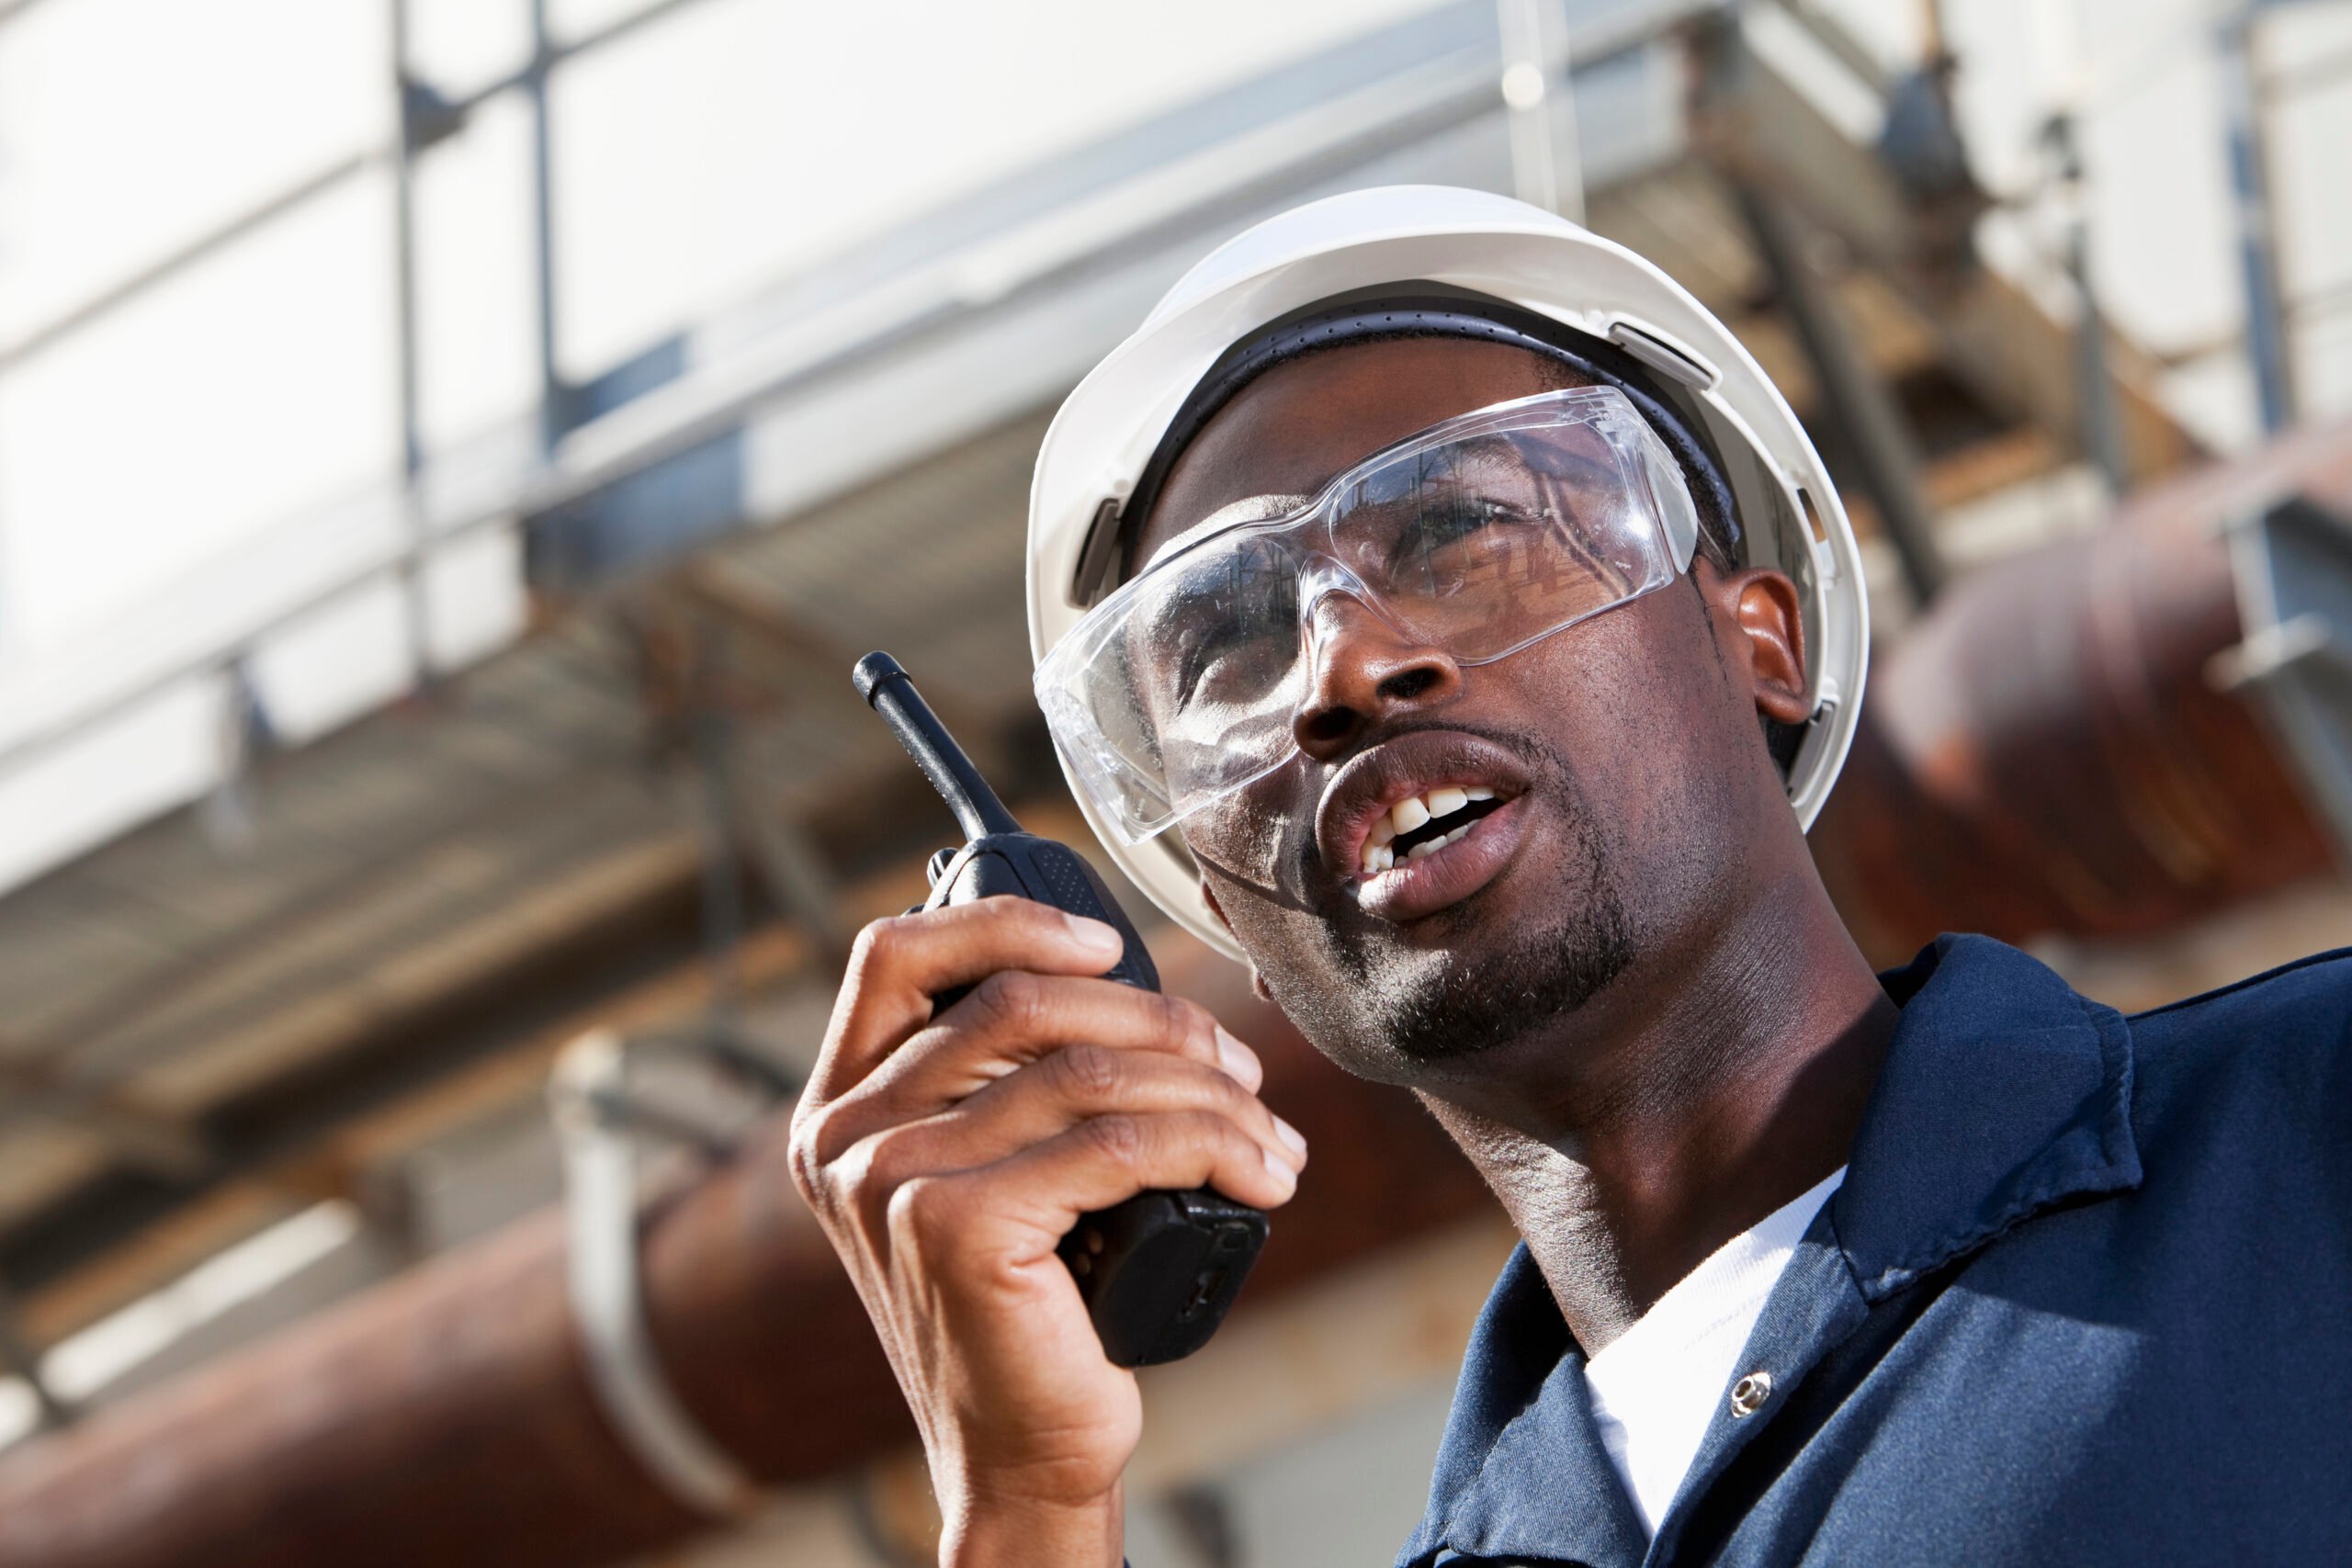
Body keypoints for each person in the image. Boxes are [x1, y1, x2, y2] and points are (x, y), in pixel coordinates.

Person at [788, 187, 2352, 1566]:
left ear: (1764, 644)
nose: (1343, 664)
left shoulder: (2306, 1138)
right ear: (1225, 910)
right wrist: (1034, 1512)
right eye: (1230, 646)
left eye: (1463, 524)